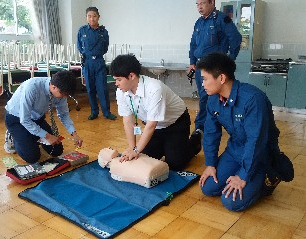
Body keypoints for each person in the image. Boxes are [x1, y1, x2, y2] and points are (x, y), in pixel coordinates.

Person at [197, 53, 281, 211]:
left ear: (221, 78)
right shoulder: (213, 99)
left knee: (231, 201)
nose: (203, 84)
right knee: (208, 188)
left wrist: (243, 176)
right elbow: (210, 133)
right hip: (235, 150)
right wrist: (210, 164)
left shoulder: (252, 99)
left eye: (205, 79)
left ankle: (267, 180)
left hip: (261, 155)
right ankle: (242, 174)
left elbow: (256, 141)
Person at [110, 54, 201, 171]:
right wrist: (133, 148)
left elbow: (151, 124)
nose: (116, 83)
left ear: (131, 76)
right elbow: (128, 121)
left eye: (119, 79)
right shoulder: (121, 91)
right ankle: (167, 146)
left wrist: (136, 150)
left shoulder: (154, 88)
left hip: (176, 123)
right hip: (155, 128)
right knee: (145, 158)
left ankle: (195, 141)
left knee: (175, 164)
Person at [188, 0, 242, 140]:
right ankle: (202, 126)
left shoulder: (221, 19)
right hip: (201, 67)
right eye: (197, 4)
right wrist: (192, 62)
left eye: (203, 3)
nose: (199, 7)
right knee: (204, 97)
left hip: (215, 67)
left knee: (220, 97)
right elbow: (193, 44)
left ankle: (222, 125)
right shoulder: (199, 22)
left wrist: (229, 59)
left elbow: (236, 38)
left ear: (212, 2)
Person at [4, 70, 83, 164]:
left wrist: (74, 134)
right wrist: (47, 136)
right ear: (54, 87)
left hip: (37, 118)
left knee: (57, 150)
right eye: (63, 95)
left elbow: (63, 115)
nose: (64, 98)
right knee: (32, 157)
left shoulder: (61, 92)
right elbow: (24, 119)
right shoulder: (32, 87)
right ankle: (12, 136)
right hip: (16, 119)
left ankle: (31, 137)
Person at [77, 7, 117, 121]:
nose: (92, 18)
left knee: (102, 88)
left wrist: (96, 54)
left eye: (94, 16)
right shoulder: (82, 30)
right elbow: (79, 46)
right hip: (87, 62)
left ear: (98, 17)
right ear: (86, 18)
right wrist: (87, 55)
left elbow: (105, 48)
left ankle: (106, 112)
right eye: (89, 16)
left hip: (99, 62)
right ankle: (94, 112)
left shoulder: (103, 31)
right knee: (90, 89)